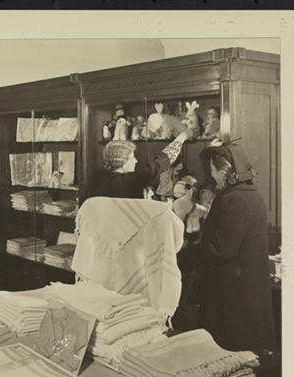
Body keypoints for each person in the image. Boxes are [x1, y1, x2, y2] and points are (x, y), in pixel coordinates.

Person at [196, 143, 277, 355]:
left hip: (234, 292)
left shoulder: (233, 200)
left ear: (224, 172)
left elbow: (222, 249)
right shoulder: (250, 195)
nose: (212, 175)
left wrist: (192, 248)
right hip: (245, 287)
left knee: (229, 355)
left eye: (213, 170)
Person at [88, 128, 192, 199]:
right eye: (132, 157)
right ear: (122, 160)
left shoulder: (97, 178)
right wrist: (183, 136)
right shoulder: (132, 180)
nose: (136, 161)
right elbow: (164, 159)